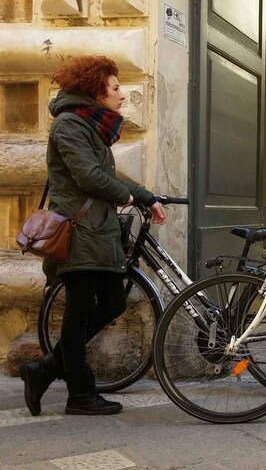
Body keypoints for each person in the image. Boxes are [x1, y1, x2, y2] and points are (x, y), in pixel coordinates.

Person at [20, 56, 168, 416]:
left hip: (98, 232)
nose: (121, 94)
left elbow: (106, 174)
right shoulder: (70, 126)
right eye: (115, 88)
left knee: (113, 303)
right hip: (78, 231)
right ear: (95, 91)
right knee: (78, 311)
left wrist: (146, 196)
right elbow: (87, 176)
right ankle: (79, 394)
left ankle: (44, 371)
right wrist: (128, 197)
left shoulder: (91, 127)